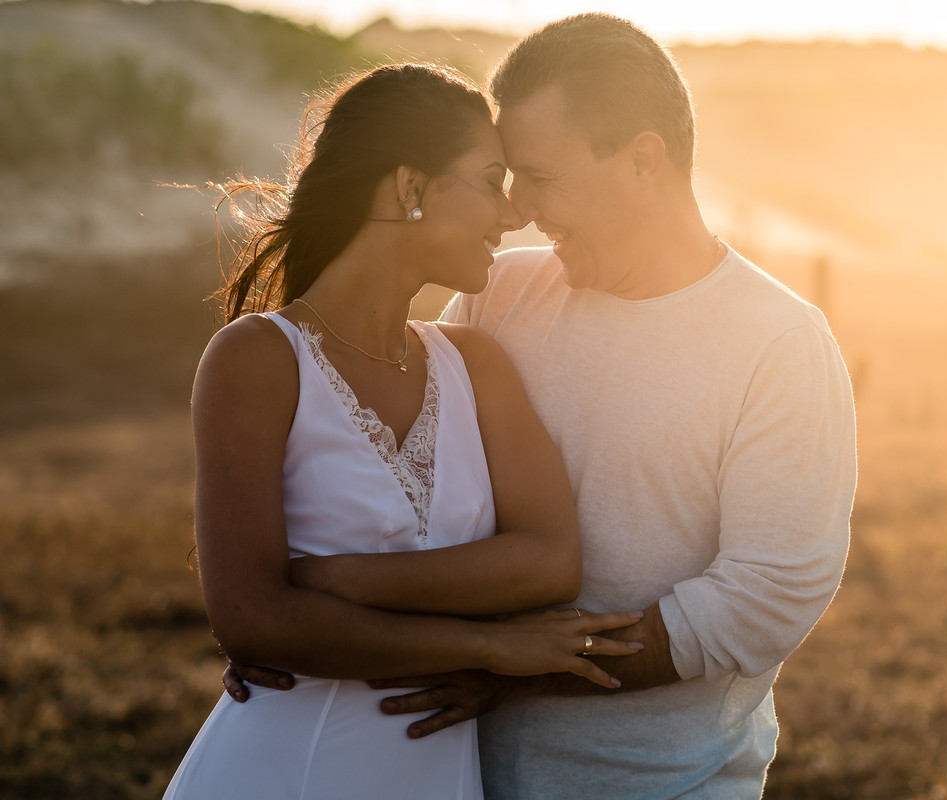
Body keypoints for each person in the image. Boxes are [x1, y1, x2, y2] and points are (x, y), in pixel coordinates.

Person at [228, 14, 857, 798]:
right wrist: (299, 627)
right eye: (506, 178)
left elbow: (765, 597)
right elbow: (406, 499)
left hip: (663, 783)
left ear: (643, 161)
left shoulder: (779, 342)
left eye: (540, 177)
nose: (518, 209)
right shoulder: (500, 295)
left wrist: (523, 669)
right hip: (456, 773)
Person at [164, 63, 643, 800]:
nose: (512, 215)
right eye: (491, 180)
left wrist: (340, 583)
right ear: (410, 187)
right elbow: (253, 619)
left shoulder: (474, 363)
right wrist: (489, 645)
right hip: (285, 770)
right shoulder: (258, 359)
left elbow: (551, 561)